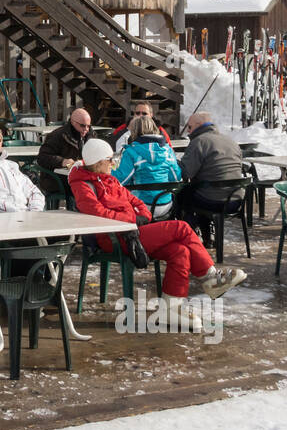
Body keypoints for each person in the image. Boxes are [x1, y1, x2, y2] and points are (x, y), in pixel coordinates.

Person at [69, 138, 245, 328]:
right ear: (98, 162)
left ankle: (171, 310)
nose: (114, 163)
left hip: (132, 232)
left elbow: (135, 201)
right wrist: (131, 220)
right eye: (110, 159)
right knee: (182, 228)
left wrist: (143, 215)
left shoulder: (109, 179)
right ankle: (210, 278)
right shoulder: (83, 184)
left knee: (180, 251)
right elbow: (97, 213)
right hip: (113, 238)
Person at [177, 111, 246, 223]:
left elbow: (185, 173)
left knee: (181, 195)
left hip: (213, 201)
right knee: (198, 190)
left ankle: (190, 234)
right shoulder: (231, 141)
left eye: (189, 127)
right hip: (236, 200)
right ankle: (207, 234)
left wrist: (174, 162)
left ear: (199, 125)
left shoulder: (199, 142)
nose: (188, 131)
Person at [113, 115, 182, 218]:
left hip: (141, 206)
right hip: (166, 206)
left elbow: (120, 181)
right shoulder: (168, 150)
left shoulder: (131, 152)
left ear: (134, 131)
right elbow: (176, 178)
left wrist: (108, 170)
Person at [36, 108, 93, 192]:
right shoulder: (58, 135)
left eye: (88, 126)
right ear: (73, 122)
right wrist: (62, 161)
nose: (86, 129)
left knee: (102, 185)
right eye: (83, 125)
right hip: (57, 179)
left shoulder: (91, 135)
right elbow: (42, 157)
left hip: (82, 175)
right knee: (86, 188)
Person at [109, 102, 173, 153]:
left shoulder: (160, 130)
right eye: (137, 113)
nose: (140, 116)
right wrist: (128, 129)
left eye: (144, 114)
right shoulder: (124, 127)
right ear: (134, 114)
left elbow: (169, 149)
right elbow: (112, 146)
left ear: (151, 115)